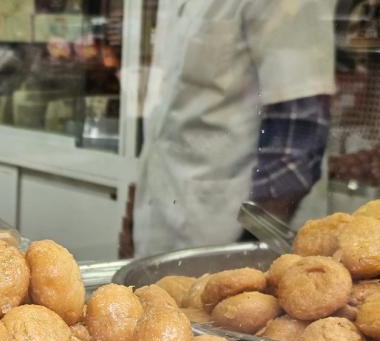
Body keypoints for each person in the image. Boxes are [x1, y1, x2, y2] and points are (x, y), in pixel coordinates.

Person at [133, 0, 336, 256]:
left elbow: (298, 135)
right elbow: (167, 115)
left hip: (229, 235)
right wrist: (134, 215)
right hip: (162, 221)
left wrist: (251, 250)